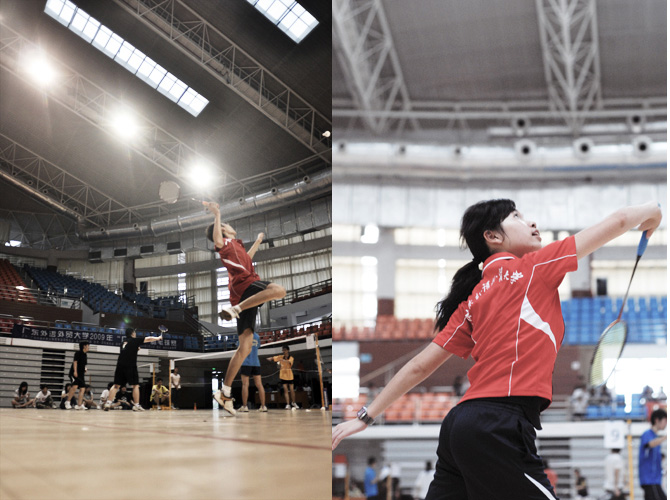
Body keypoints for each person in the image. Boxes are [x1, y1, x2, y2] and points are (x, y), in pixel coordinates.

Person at [332, 199, 662, 500]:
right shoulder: (535, 266)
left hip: (459, 427)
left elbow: (420, 367)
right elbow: (620, 220)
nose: (532, 223)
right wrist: (654, 211)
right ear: (492, 236)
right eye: (517, 217)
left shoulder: (471, 302)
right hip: (498, 425)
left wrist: (366, 416)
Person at [204, 201, 286, 416]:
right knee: (279, 290)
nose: (230, 226)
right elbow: (216, 240)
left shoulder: (236, 245)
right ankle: (236, 309)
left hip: (243, 293)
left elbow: (247, 259)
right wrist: (217, 215)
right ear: (223, 229)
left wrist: (258, 241)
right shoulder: (224, 243)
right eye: (226, 225)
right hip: (245, 286)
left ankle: (224, 392)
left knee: (245, 348)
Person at [103, 327, 163, 411]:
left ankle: (108, 403)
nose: (135, 334)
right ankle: (136, 405)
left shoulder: (123, 342)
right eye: (135, 332)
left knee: (116, 385)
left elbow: (129, 350)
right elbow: (148, 339)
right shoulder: (135, 340)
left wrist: (136, 348)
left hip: (120, 365)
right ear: (132, 333)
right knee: (135, 385)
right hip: (130, 365)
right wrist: (158, 338)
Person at [638, 408, 667, 500]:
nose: (666, 424)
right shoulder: (647, 434)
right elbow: (649, 444)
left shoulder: (656, 437)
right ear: (657, 420)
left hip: (655, 479)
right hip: (650, 479)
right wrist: (666, 437)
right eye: (665, 421)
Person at [239, 332, 267, 412]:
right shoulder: (257, 336)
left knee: (245, 384)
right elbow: (257, 346)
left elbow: (239, 349)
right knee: (259, 385)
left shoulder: (242, 335)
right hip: (256, 363)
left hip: (245, 362)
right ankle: (263, 407)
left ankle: (245, 407)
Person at [268, 345, 298, 410]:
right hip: (283, 376)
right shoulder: (281, 357)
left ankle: (293, 402)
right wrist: (271, 358)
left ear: (288, 350)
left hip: (290, 376)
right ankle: (288, 404)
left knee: (292, 390)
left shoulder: (291, 358)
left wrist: (283, 360)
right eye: (283, 350)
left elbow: (289, 362)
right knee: (285, 390)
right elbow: (275, 358)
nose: (284, 351)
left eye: (285, 350)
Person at [64, 341, 90, 410]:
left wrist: (85, 368)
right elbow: (75, 362)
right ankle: (67, 402)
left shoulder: (85, 355)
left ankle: (79, 405)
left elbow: (84, 364)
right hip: (74, 373)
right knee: (74, 386)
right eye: (88, 346)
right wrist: (75, 371)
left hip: (81, 374)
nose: (89, 347)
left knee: (82, 388)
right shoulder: (78, 353)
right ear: (84, 346)